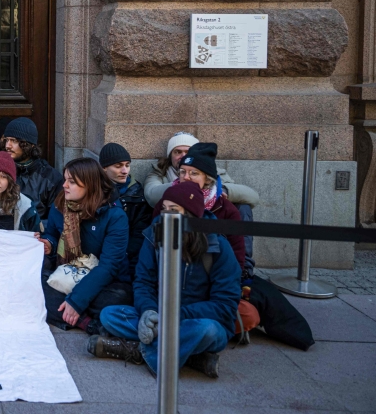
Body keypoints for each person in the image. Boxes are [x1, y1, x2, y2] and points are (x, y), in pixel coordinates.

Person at [92, 181, 241, 378]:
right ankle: (190, 356)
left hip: (194, 321)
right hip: (159, 315)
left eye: (174, 210)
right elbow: (143, 282)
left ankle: (139, 352)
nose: (166, 215)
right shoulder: (155, 233)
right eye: (164, 209)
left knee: (208, 331)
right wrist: (148, 311)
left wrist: (175, 315)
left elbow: (225, 305)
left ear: (190, 214)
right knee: (110, 315)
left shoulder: (218, 246)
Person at [144, 132, 258, 275]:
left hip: (212, 275)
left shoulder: (225, 208)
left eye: (194, 173)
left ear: (208, 178)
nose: (186, 177)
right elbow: (151, 252)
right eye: (183, 172)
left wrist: (221, 190)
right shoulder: (164, 199)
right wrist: (177, 192)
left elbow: (236, 253)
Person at [39, 158, 131, 333]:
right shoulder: (60, 205)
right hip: (67, 272)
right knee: (36, 285)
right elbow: (51, 233)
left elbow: (109, 267)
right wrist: (49, 243)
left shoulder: (114, 215)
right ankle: (89, 324)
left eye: (71, 182)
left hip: (104, 280)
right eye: (65, 179)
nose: (64, 185)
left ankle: (72, 310)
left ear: (89, 185)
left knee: (116, 299)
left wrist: (77, 300)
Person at [100, 143, 153, 280]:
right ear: (104, 168)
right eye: (118, 166)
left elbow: (140, 232)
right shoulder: (94, 191)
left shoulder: (137, 194)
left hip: (127, 259)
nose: (124, 171)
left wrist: (125, 254)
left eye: (127, 165)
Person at [3, 117, 62, 219]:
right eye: (6, 140)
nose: (8, 145)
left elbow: (55, 220)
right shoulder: (0, 171)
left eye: (14, 141)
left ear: (29, 145)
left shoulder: (50, 178)